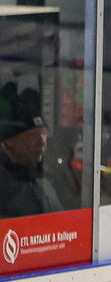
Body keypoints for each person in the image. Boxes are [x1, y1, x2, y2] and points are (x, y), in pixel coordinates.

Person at [0, 83, 62, 219]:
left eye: (43, 133)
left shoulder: (42, 179)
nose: (42, 141)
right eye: (32, 135)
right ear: (7, 142)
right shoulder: (5, 191)